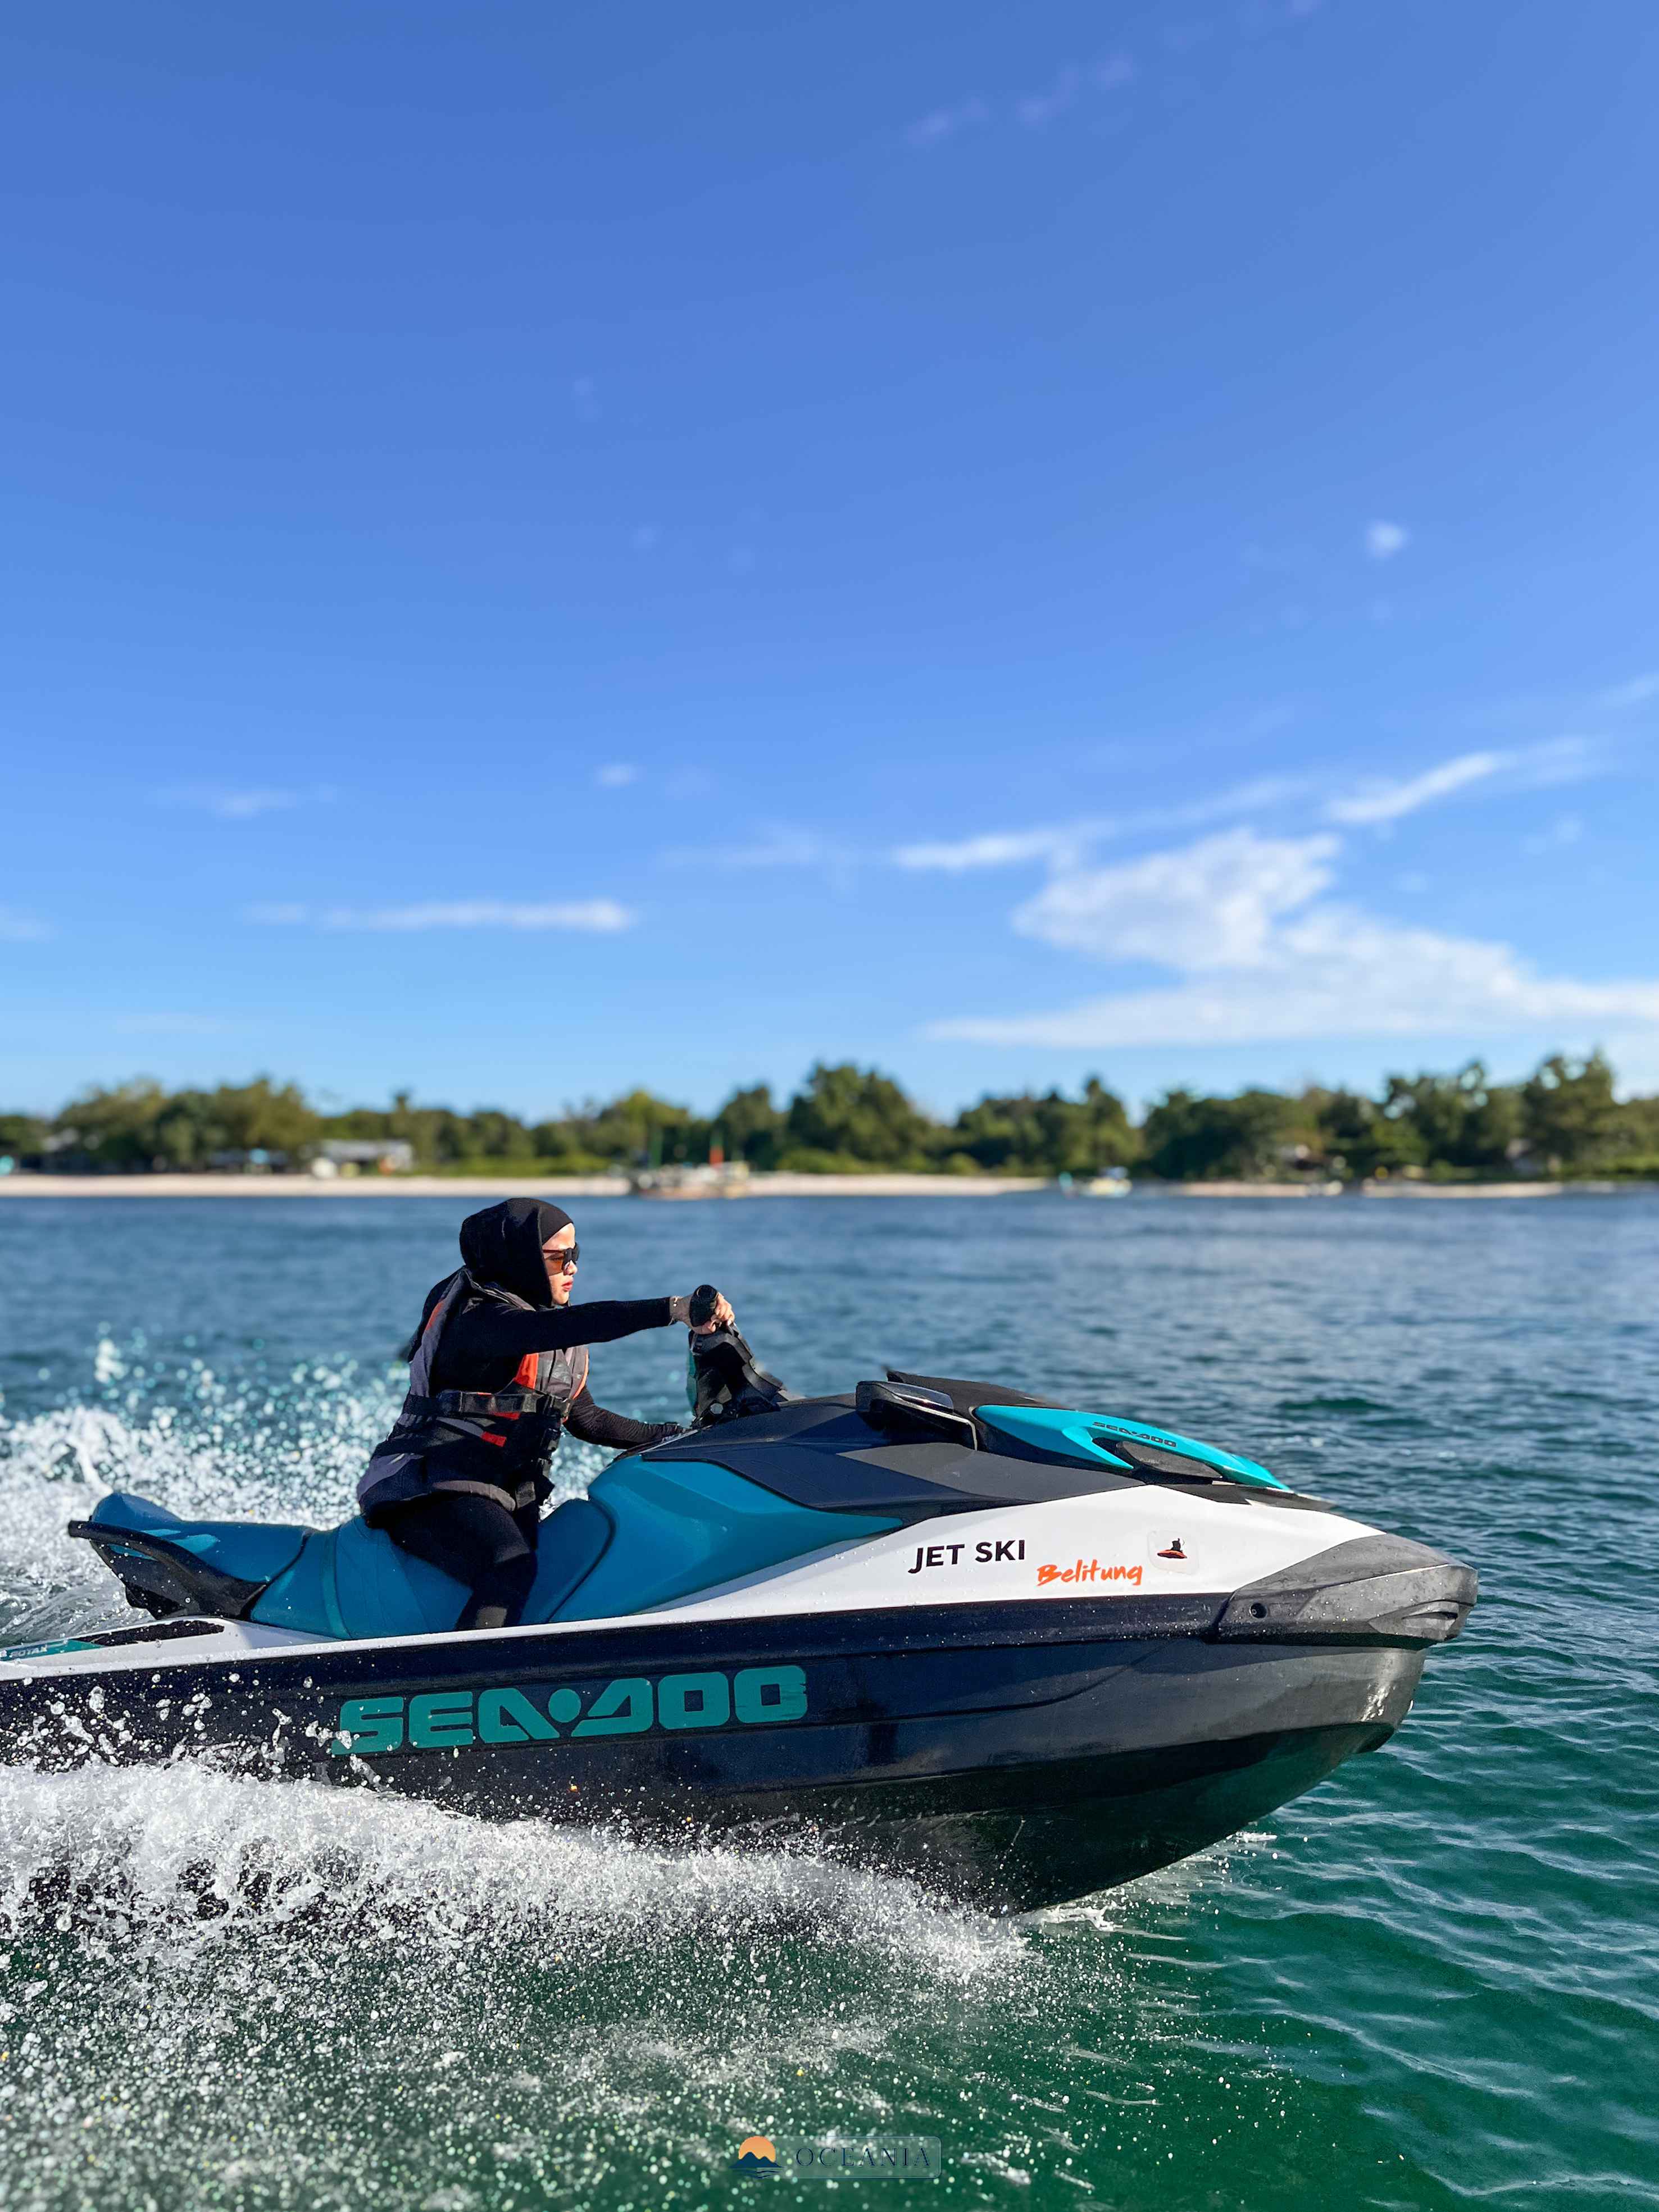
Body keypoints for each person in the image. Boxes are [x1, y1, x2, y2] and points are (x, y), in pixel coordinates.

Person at [357, 1196, 733, 1631]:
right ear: (519, 1259)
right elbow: (567, 1326)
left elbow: (588, 1420)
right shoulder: (481, 1319)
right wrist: (674, 1309)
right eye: (559, 1258)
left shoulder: (549, 1333)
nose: (573, 1268)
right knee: (509, 1564)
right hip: (428, 1488)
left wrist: (679, 1435)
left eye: (576, 1255)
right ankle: (469, 1685)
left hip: (500, 1492)